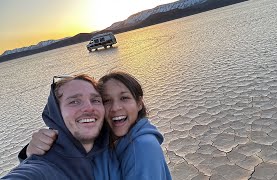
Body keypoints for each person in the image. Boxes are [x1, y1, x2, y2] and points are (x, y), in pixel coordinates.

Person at [16, 72, 172, 180]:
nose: (116, 108)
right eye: (106, 100)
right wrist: (29, 154)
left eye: (124, 98)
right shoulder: (103, 143)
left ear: (139, 103)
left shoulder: (141, 147)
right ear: (56, 114)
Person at [1, 74, 119, 179]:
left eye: (95, 100)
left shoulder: (116, 147)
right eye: (74, 101)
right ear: (56, 113)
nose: (89, 107)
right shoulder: (44, 167)